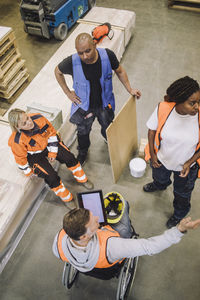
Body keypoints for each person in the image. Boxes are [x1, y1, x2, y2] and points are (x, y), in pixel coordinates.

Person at [55, 32, 141, 165]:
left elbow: (120, 71)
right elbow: (57, 71)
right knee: (83, 132)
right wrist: (67, 92)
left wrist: (130, 89)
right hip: (84, 107)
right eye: (80, 53)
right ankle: (83, 152)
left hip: (104, 104)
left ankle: (108, 138)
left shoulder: (107, 56)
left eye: (88, 51)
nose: (85, 56)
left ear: (94, 45)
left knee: (108, 126)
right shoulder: (72, 62)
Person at [52, 206, 200, 275]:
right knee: (124, 207)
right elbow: (149, 247)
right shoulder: (113, 247)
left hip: (92, 269)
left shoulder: (59, 240)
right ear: (84, 236)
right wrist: (179, 230)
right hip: (110, 264)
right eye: (94, 221)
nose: (98, 217)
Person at [143, 76, 200, 228]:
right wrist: (153, 155)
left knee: (182, 194)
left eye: (199, 102)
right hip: (161, 160)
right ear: (179, 101)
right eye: (192, 103)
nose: (197, 107)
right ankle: (160, 185)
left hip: (186, 168)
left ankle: (179, 215)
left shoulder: (199, 116)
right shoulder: (163, 108)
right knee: (160, 178)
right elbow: (152, 130)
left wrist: (189, 163)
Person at [8, 108, 93, 208]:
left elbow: (52, 133)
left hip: (48, 143)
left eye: (27, 118)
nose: (29, 122)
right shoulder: (16, 140)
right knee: (51, 176)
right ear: (17, 127)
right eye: (24, 123)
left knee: (69, 158)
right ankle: (67, 198)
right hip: (34, 155)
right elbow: (20, 158)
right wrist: (27, 171)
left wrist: (52, 152)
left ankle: (82, 179)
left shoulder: (39, 118)